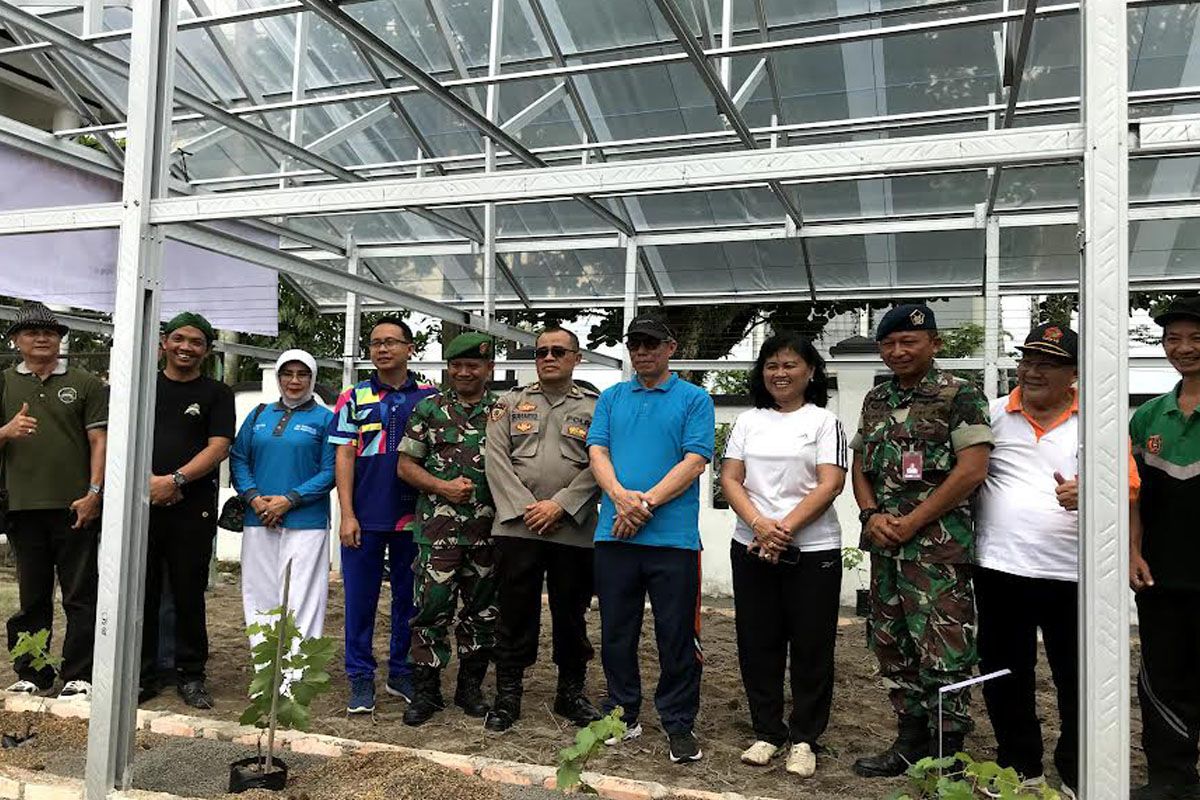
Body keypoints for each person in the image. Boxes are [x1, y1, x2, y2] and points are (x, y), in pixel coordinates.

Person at [974, 324, 1139, 797]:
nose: (1033, 371)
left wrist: (1091, 493)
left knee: (1077, 677)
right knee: (1005, 674)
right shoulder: (993, 417)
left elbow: (1128, 487)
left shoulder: (1099, 421)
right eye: (1028, 360)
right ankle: (1020, 767)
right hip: (1001, 568)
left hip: (1075, 573)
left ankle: (1075, 770)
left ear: (1073, 373)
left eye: (1047, 363)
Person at [849, 303, 993, 778]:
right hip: (887, 547)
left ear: (934, 343)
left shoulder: (960, 395)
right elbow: (861, 465)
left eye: (908, 341)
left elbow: (971, 470)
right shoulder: (877, 400)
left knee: (945, 648)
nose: (897, 351)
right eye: (888, 344)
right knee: (893, 644)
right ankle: (909, 740)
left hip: (938, 552)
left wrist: (912, 522)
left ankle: (948, 751)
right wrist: (871, 514)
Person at [587, 315, 715, 765]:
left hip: (672, 542)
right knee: (616, 633)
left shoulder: (694, 399)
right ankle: (622, 714)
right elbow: (597, 452)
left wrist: (643, 506)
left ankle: (679, 723)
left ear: (670, 348)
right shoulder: (612, 397)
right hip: (614, 536)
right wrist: (621, 498)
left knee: (676, 635)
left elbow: (695, 460)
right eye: (634, 344)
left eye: (650, 344)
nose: (641, 351)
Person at [719, 332, 847, 778]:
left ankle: (806, 738)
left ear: (810, 371)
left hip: (811, 551)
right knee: (758, 641)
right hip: (751, 544)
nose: (780, 373)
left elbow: (830, 483)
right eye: (772, 365)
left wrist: (784, 530)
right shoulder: (747, 421)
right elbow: (731, 478)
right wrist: (759, 525)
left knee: (812, 645)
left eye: (791, 364)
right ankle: (767, 732)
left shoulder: (823, 423)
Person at [483, 326, 603, 733]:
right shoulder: (510, 403)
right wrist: (526, 508)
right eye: (541, 352)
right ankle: (508, 695)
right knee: (514, 613)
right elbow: (495, 460)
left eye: (558, 351)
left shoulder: (595, 407)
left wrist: (561, 506)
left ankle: (570, 693)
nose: (548, 358)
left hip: (573, 529)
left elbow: (602, 462)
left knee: (572, 613)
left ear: (576, 358)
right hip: (518, 528)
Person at [327, 316, 437, 715]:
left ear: (410, 348)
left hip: (414, 518)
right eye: (375, 343)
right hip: (364, 518)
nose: (382, 349)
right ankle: (359, 677)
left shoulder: (429, 398)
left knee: (409, 601)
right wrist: (347, 514)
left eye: (391, 341)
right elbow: (343, 454)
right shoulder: (352, 397)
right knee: (360, 602)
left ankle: (400, 671)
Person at [1, 301, 106, 700]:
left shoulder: (86, 383)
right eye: (31, 332)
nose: (42, 338)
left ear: (61, 339)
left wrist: (94, 493)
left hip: (75, 506)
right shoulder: (5, 383)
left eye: (50, 332)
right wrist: (7, 430)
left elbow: (100, 441)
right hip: (22, 506)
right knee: (32, 597)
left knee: (80, 595)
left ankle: (80, 675)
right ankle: (34, 672)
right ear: (16, 341)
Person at [397, 331, 499, 727]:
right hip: (437, 533)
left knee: (482, 614)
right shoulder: (429, 409)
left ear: (488, 369)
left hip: (488, 533)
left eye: (472, 365)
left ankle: (469, 690)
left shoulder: (504, 411)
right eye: (456, 365)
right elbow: (405, 466)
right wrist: (442, 488)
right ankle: (427, 693)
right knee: (431, 611)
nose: (463, 372)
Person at [140, 312, 235, 709]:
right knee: (140, 593)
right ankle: (143, 674)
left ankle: (191, 674)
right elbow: (120, 435)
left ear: (207, 350)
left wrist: (174, 481)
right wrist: (148, 482)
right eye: (179, 338)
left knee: (188, 593)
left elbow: (218, 446)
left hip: (191, 507)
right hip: (141, 504)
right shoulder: (143, 386)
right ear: (164, 342)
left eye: (196, 342)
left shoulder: (217, 393)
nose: (186, 347)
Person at [1130, 296, 1200, 800]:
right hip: (1161, 575)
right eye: (1173, 338)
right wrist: (1133, 551)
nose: (1184, 348)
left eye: (1195, 338)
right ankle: (1170, 777)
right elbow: (1132, 496)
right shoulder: (1148, 417)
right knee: (1161, 675)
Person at [230, 350, 336, 643]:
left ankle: (294, 681)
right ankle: (267, 677)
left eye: (302, 374)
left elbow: (331, 471)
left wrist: (289, 499)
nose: (294, 380)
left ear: (313, 378)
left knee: (303, 600)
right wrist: (254, 498)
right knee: (259, 597)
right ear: (278, 377)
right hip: (259, 518)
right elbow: (239, 458)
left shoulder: (326, 419)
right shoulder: (260, 414)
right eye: (287, 374)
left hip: (307, 522)